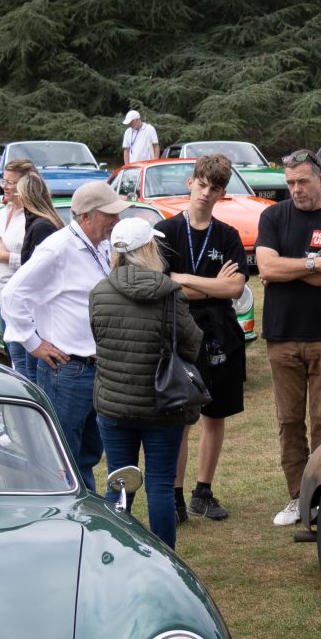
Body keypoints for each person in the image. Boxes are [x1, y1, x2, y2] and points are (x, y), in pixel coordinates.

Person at [256, 150, 321, 527]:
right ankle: (298, 498)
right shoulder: (273, 216)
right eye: (290, 183)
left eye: (302, 181)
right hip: (281, 335)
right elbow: (266, 266)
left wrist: (288, 269)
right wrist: (316, 262)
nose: (296, 189)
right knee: (288, 422)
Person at [88, 214, 203, 547]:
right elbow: (192, 343)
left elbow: (99, 338)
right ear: (148, 248)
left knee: (119, 484)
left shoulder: (99, 292)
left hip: (113, 404)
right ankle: (165, 561)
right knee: (160, 487)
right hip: (162, 404)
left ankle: (113, 552)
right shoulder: (170, 294)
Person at [5, 180, 128, 490]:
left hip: (96, 368)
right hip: (68, 370)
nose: (116, 221)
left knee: (87, 452)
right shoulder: (57, 249)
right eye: (109, 215)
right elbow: (12, 295)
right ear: (86, 217)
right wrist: (33, 344)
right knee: (61, 457)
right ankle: (63, 518)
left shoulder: (99, 245)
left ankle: (84, 513)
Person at [160, 153, 251, 524]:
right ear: (190, 183)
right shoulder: (166, 232)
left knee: (216, 414)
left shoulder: (228, 236)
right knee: (182, 416)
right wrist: (211, 285)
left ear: (222, 193)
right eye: (201, 184)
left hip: (221, 335)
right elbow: (164, 286)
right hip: (180, 333)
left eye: (214, 188)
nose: (205, 193)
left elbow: (234, 288)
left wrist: (186, 279)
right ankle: (176, 496)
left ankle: (203, 491)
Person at [0, 164, 62, 377]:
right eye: (4, 181)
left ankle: (28, 406)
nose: (6, 187)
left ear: (26, 187)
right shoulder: (2, 214)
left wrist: (5, 257)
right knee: (16, 359)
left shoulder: (40, 224)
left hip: (27, 303)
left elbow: (42, 266)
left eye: (11, 182)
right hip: (5, 297)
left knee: (27, 365)